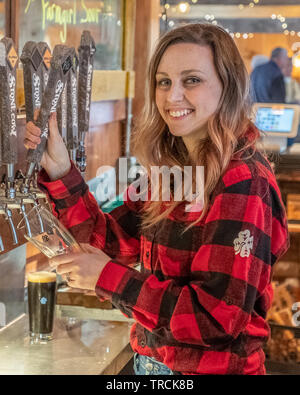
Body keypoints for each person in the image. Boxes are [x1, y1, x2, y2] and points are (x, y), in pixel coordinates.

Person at [24, 23, 289, 375]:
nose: (171, 96)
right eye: (163, 82)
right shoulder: (172, 169)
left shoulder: (241, 179)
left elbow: (214, 319)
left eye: (191, 80)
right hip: (153, 367)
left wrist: (107, 276)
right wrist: (60, 169)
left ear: (228, 87)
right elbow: (110, 241)